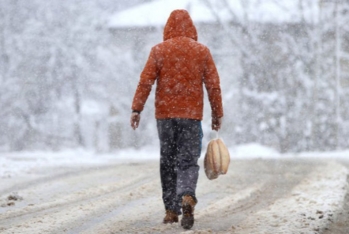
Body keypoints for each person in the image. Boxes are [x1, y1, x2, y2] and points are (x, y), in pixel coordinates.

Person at [130, 9, 223, 230]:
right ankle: (187, 196)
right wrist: (217, 113)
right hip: (191, 117)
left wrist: (136, 109)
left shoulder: (159, 51)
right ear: (192, 29)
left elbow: (145, 82)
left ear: (168, 28)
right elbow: (213, 85)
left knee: (168, 161)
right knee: (188, 161)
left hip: (165, 116)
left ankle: (171, 210)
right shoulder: (202, 51)